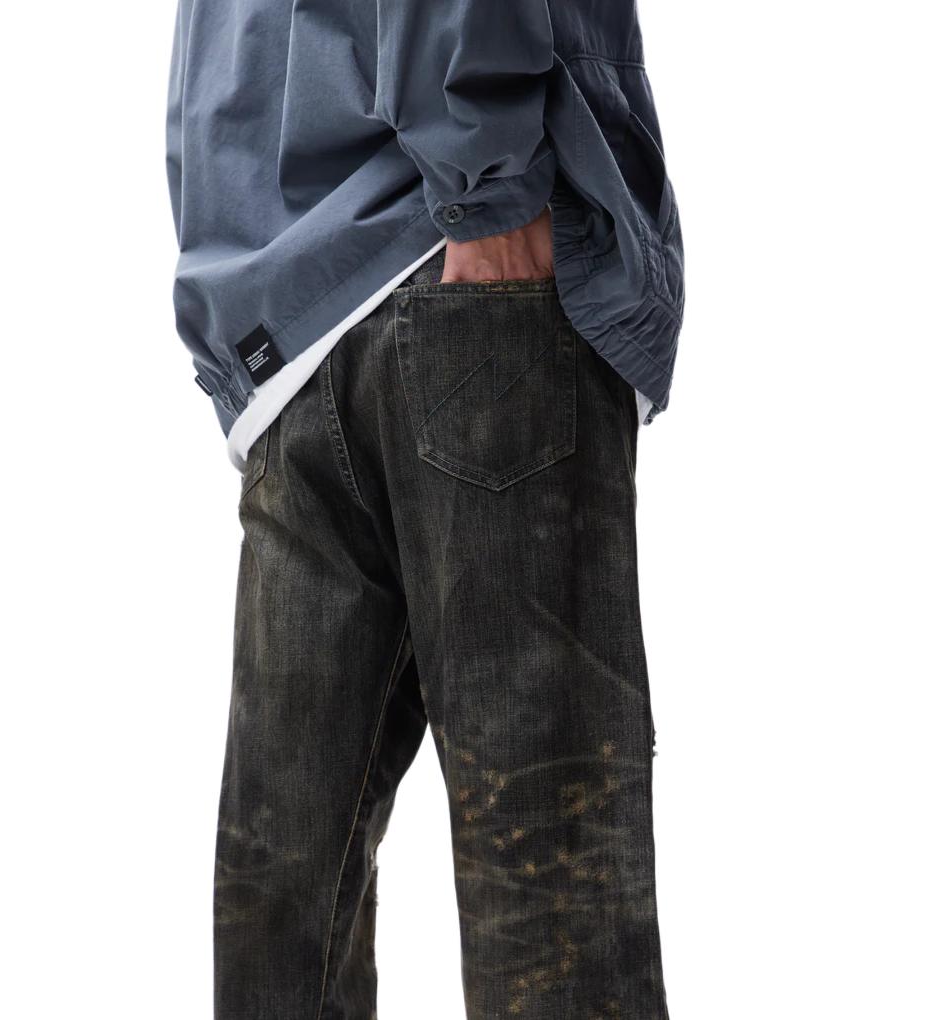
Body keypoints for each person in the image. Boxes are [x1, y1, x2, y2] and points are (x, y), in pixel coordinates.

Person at [166, 0, 684, 1015]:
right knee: (553, 865)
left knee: (285, 882)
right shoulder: (481, 208)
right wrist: (491, 186)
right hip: (457, 263)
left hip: (283, 309)